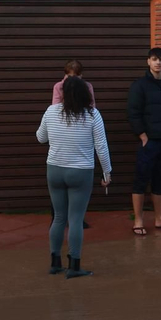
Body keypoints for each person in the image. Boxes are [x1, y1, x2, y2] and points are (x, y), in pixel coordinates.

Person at [37, 75, 112, 277]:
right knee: (76, 219)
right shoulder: (92, 114)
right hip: (81, 172)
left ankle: (55, 263)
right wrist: (107, 172)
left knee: (59, 218)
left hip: (54, 169)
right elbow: (101, 147)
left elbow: (40, 138)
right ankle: (75, 267)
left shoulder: (51, 111)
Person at [126, 47, 161, 236]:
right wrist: (142, 135)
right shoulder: (140, 85)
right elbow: (133, 113)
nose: (158, 63)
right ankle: (139, 220)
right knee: (141, 180)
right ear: (148, 62)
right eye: (154, 59)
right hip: (149, 142)